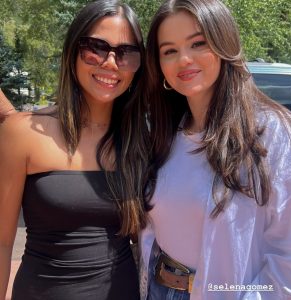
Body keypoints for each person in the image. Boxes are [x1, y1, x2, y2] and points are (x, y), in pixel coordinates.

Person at [139, 0, 291, 299]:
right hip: (160, 289)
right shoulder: (165, 133)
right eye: (169, 51)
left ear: (224, 43)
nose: (184, 59)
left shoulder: (273, 131)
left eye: (198, 43)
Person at [0, 1, 149, 299]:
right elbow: (2, 242)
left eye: (126, 54)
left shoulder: (141, 138)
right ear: (72, 54)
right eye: (95, 47)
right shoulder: (23, 132)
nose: (110, 63)